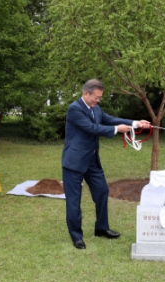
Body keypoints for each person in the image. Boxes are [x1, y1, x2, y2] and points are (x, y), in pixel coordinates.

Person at [62, 79, 151, 249]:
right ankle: (76, 236)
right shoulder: (75, 109)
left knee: (102, 191)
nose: (98, 100)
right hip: (74, 163)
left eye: (100, 98)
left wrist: (135, 123)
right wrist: (117, 130)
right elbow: (92, 128)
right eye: (96, 97)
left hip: (92, 161)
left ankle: (101, 228)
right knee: (74, 201)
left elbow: (110, 119)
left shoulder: (96, 109)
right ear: (86, 93)